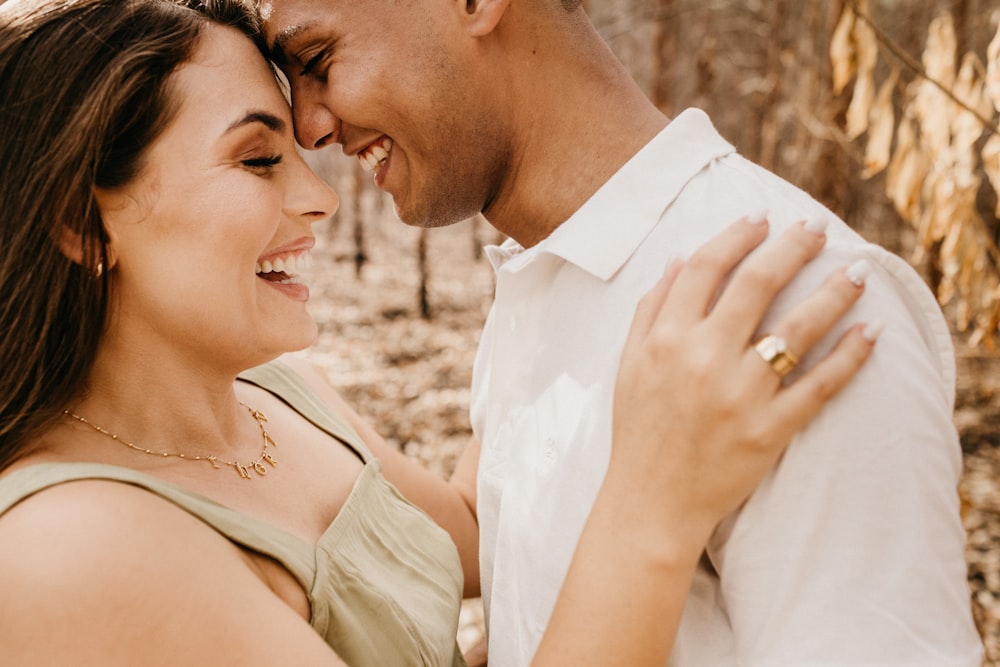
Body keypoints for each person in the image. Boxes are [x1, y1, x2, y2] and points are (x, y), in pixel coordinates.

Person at [0, 0, 877, 665]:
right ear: (82, 223)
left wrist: (564, 279)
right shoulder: (73, 546)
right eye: (258, 158)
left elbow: (473, 525)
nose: (320, 195)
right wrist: (650, 505)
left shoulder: (273, 399)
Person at [258, 0, 984, 664]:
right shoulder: (547, 274)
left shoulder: (786, 300)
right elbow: (506, 547)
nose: (310, 128)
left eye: (318, 62)